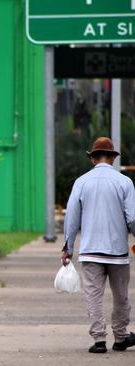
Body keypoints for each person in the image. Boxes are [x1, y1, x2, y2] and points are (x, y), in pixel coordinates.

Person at [63, 136, 135, 354]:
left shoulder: (81, 182)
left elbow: (72, 219)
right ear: (112, 158)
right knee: (121, 295)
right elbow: (132, 217)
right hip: (117, 252)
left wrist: (67, 249)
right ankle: (121, 338)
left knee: (93, 295)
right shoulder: (125, 182)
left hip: (91, 251)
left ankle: (99, 340)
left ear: (93, 158)